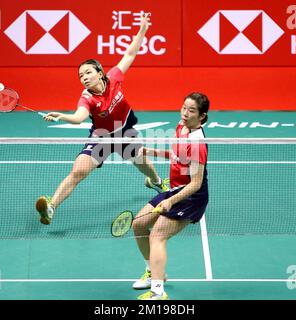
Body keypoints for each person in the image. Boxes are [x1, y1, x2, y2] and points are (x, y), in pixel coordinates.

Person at [35, 13, 168, 225]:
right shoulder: (87, 98)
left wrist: (143, 29)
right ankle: (51, 206)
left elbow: (130, 53)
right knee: (78, 171)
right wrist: (62, 116)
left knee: (142, 163)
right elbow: (79, 118)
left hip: (125, 132)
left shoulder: (114, 78)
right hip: (102, 138)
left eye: (88, 72)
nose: (84, 77)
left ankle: (156, 182)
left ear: (99, 72)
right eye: (81, 76)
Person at [131, 92, 210, 300]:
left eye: (191, 110)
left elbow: (196, 183)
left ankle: (158, 291)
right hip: (175, 190)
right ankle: (154, 272)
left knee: (157, 236)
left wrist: (170, 201)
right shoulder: (181, 126)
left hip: (191, 197)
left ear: (202, 116)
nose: (185, 113)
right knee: (138, 225)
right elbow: (177, 155)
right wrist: (151, 151)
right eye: (184, 107)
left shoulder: (197, 143)